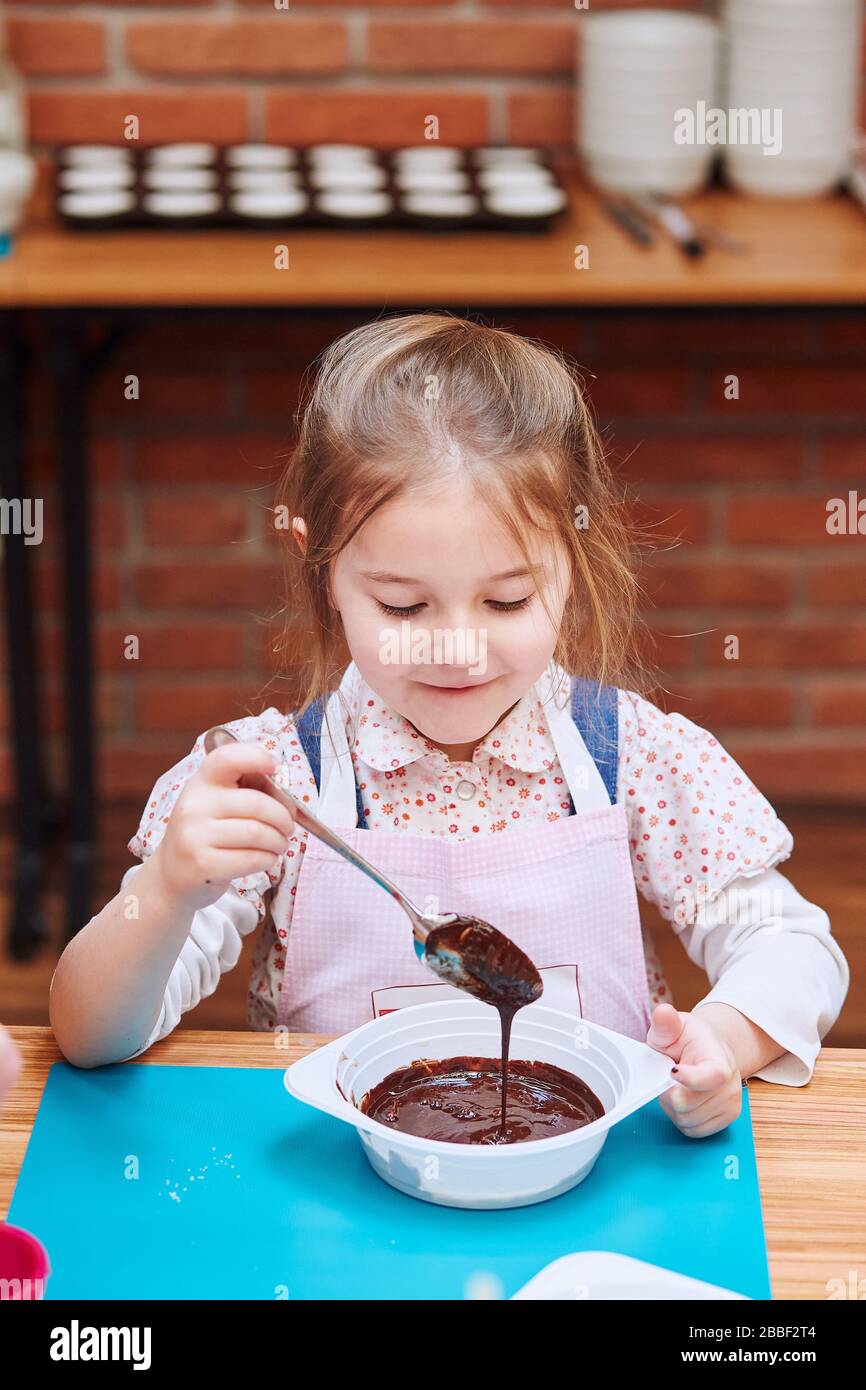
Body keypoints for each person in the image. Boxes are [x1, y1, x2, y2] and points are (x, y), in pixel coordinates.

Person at [50, 313, 849, 1139]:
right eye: (403, 604)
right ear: (319, 562)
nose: (457, 646)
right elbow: (90, 1036)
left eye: (506, 600)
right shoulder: (273, 780)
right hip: (338, 1211)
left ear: (572, 565)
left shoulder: (633, 756)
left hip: (587, 1202)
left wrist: (722, 1040)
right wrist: (171, 889)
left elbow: (795, 948)